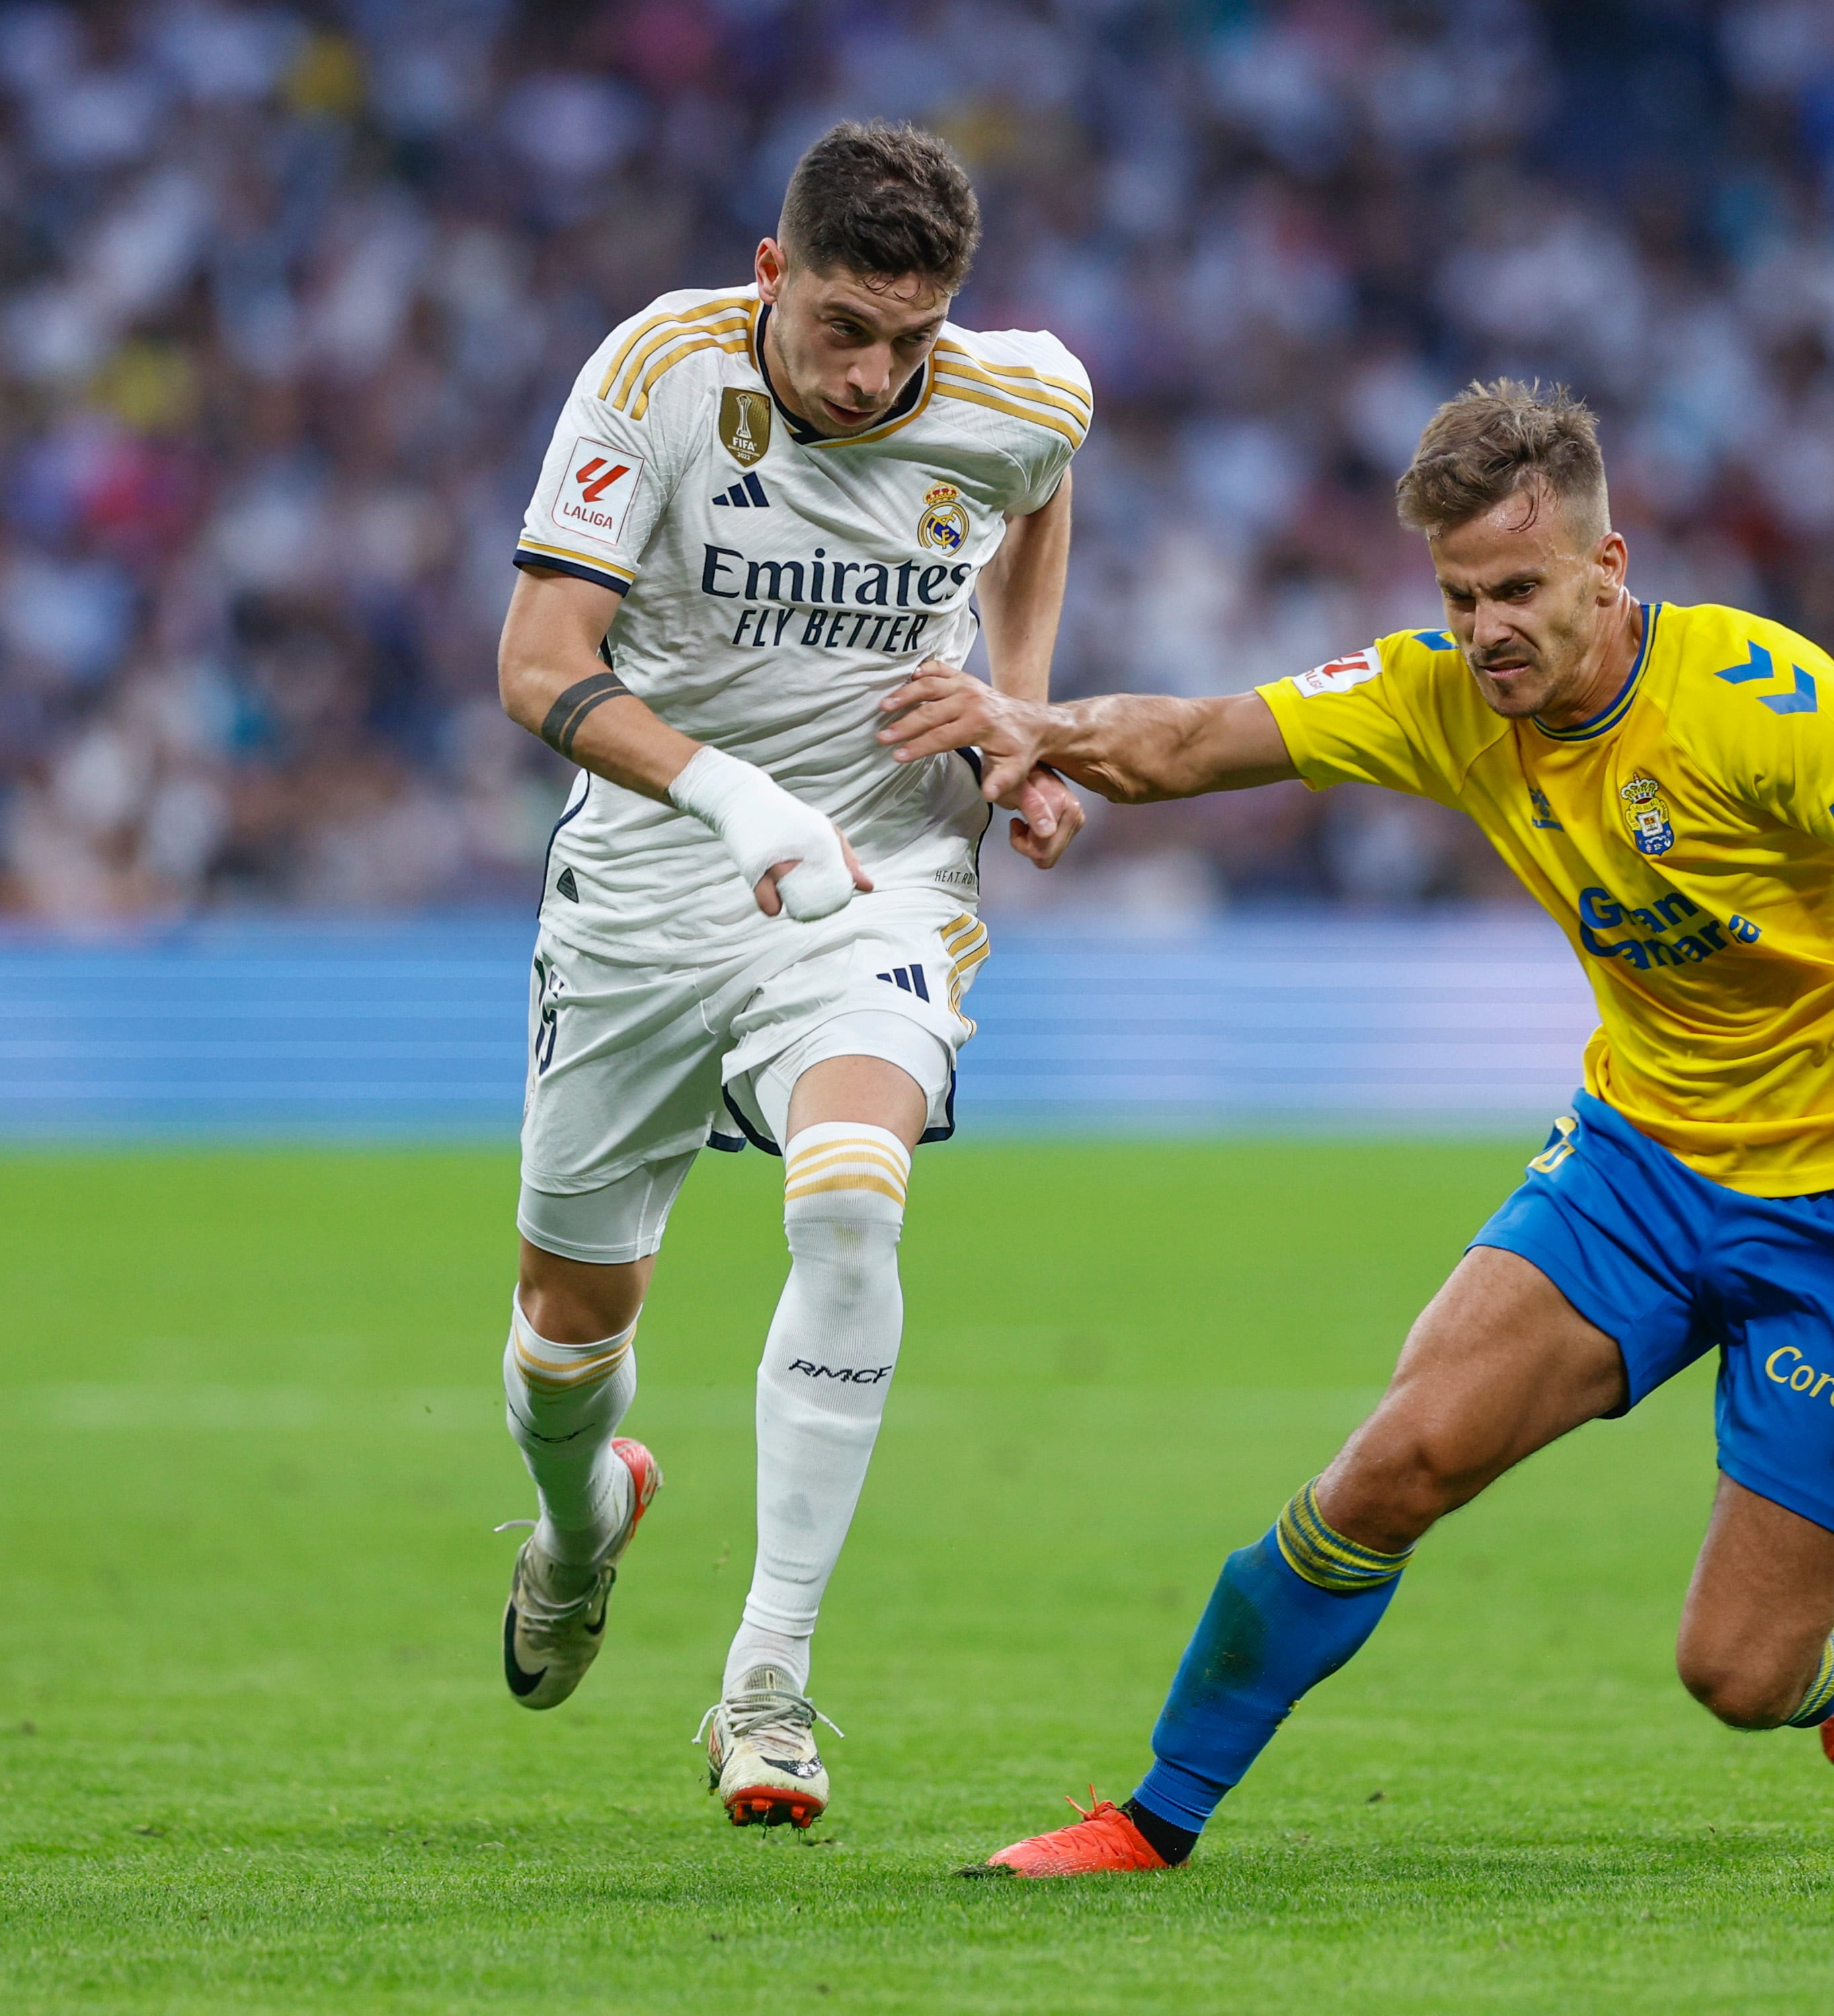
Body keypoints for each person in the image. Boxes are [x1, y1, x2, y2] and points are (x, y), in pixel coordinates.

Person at [875, 380, 1834, 1875]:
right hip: (1643, 1163)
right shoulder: (1438, 694)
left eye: (1519, 591)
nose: (1486, 627)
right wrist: (1025, 726)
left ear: (1606, 572)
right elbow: (1184, 742)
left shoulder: (1755, 696)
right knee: (1395, 1460)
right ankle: (1151, 1816)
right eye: (1459, 593)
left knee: (1742, 1676)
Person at [489, 119, 1089, 1829]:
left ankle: (766, 1680)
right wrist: (733, 794)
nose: (875, 371)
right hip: (647, 887)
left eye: (912, 337)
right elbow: (537, 660)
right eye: (842, 326)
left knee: (850, 1201)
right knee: (561, 1336)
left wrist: (1017, 721)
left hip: (875, 878)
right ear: (772, 273)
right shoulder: (659, 369)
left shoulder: (1023, 396)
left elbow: (1034, 507)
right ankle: (582, 1518)